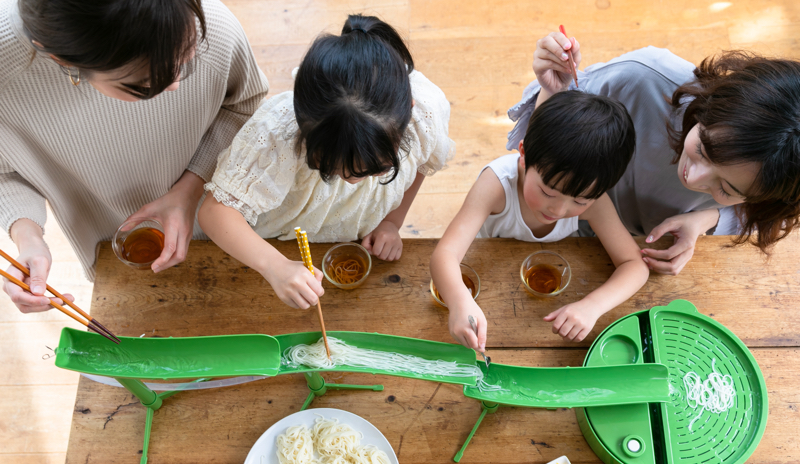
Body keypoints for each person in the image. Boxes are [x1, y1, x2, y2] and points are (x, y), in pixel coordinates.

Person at [1, 0, 268, 313]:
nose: (175, 84)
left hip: (233, 216)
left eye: (188, 59)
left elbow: (243, 106)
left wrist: (189, 190)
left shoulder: (210, 22)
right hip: (119, 247)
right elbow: (5, 170)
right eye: (144, 85)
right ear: (63, 61)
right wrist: (28, 236)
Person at [199, 14, 454, 310]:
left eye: (376, 169)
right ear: (302, 128)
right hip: (270, 247)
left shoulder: (426, 113)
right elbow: (215, 213)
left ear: (408, 113)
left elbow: (423, 165)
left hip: (351, 236)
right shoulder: (277, 132)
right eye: (332, 169)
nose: (352, 181)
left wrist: (391, 222)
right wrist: (274, 266)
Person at [508, 33, 800, 275]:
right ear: (712, 105)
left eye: (725, 188)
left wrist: (705, 220)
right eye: (703, 149)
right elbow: (543, 150)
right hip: (566, 231)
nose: (693, 178)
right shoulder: (641, 79)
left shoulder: (779, 190)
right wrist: (552, 92)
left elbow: (772, 218)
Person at [430, 90, 648, 350]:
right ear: (523, 155)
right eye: (547, 192)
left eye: (579, 202)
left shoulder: (594, 201)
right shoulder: (496, 185)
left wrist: (593, 306)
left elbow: (635, 265)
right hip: (489, 270)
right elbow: (444, 255)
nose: (558, 209)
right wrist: (458, 301)